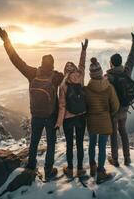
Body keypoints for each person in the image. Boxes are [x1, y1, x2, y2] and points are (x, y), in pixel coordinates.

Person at [0, 26, 64, 181]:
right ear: (52, 65)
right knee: (51, 143)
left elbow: (15, 59)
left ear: (41, 63)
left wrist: (6, 40)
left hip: (36, 116)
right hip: (51, 115)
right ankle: (48, 170)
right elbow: (72, 77)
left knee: (34, 141)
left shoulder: (32, 72)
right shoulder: (56, 76)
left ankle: (31, 166)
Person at [106, 27, 134, 167]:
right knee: (123, 132)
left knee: (113, 134)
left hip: (113, 111)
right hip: (125, 109)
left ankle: (115, 160)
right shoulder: (126, 72)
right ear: (120, 62)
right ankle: (127, 158)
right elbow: (132, 57)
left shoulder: (108, 76)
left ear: (111, 63)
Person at [55, 39, 88, 178]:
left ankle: (69, 169)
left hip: (68, 119)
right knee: (79, 143)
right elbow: (82, 64)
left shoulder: (62, 85)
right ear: (74, 69)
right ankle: (80, 169)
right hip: (81, 116)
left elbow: (62, 106)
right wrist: (83, 50)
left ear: (64, 71)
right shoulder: (80, 77)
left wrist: (59, 123)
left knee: (69, 144)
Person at [84, 57, 119, 184]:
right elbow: (115, 106)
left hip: (92, 121)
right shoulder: (108, 87)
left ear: (91, 75)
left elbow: (84, 107)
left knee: (92, 144)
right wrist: (108, 114)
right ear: (100, 72)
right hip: (105, 121)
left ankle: (92, 167)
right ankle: (100, 172)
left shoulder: (86, 89)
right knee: (102, 147)